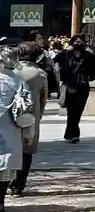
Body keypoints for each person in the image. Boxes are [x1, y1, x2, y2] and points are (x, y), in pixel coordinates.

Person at [0, 46, 34, 212]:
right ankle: (0, 202)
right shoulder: (19, 82)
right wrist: (29, 134)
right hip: (10, 128)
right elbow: (26, 110)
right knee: (5, 167)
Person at [11, 42, 48, 196]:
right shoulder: (39, 74)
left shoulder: (9, 70)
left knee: (8, 149)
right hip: (29, 116)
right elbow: (43, 99)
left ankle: (6, 181)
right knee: (26, 151)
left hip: (7, 116)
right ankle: (18, 186)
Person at [56, 35, 95, 144]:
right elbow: (56, 60)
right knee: (71, 111)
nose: (78, 43)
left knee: (78, 110)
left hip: (83, 85)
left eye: (80, 41)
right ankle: (73, 134)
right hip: (70, 85)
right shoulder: (67, 54)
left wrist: (91, 51)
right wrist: (65, 50)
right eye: (76, 41)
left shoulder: (87, 55)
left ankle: (71, 134)